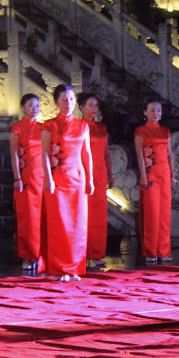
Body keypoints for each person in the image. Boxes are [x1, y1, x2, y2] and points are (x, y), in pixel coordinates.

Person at [39, 84, 94, 281]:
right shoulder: (49, 124)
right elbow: (44, 154)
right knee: (59, 225)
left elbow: (86, 153)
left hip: (77, 179)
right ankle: (59, 268)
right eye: (64, 99)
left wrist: (91, 179)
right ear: (56, 102)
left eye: (71, 99)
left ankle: (73, 267)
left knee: (77, 225)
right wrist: (48, 178)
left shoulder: (83, 125)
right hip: (58, 179)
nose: (68, 103)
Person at [134, 99, 174, 264]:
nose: (156, 113)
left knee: (165, 213)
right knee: (152, 213)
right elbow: (140, 155)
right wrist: (143, 175)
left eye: (158, 110)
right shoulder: (140, 132)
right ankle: (150, 250)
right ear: (145, 113)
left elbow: (169, 154)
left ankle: (164, 250)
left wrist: (173, 175)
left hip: (164, 174)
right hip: (150, 174)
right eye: (152, 110)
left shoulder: (165, 131)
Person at [77, 93, 113, 268]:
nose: (94, 109)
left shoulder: (101, 128)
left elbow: (106, 152)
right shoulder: (77, 126)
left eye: (96, 105)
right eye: (90, 105)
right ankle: (81, 252)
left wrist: (110, 173)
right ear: (82, 107)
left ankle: (97, 253)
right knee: (82, 214)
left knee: (99, 215)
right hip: (82, 173)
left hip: (100, 173)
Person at [10, 94, 44, 271]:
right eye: (31, 105)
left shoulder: (44, 127)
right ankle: (27, 255)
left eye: (37, 106)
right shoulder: (17, 128)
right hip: (26, 178)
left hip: (42, 178)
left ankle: (40, 255)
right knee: (27, 219)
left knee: (42, 219)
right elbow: (14, 154)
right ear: (22, 107)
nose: (35, 108)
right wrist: (17, 177)